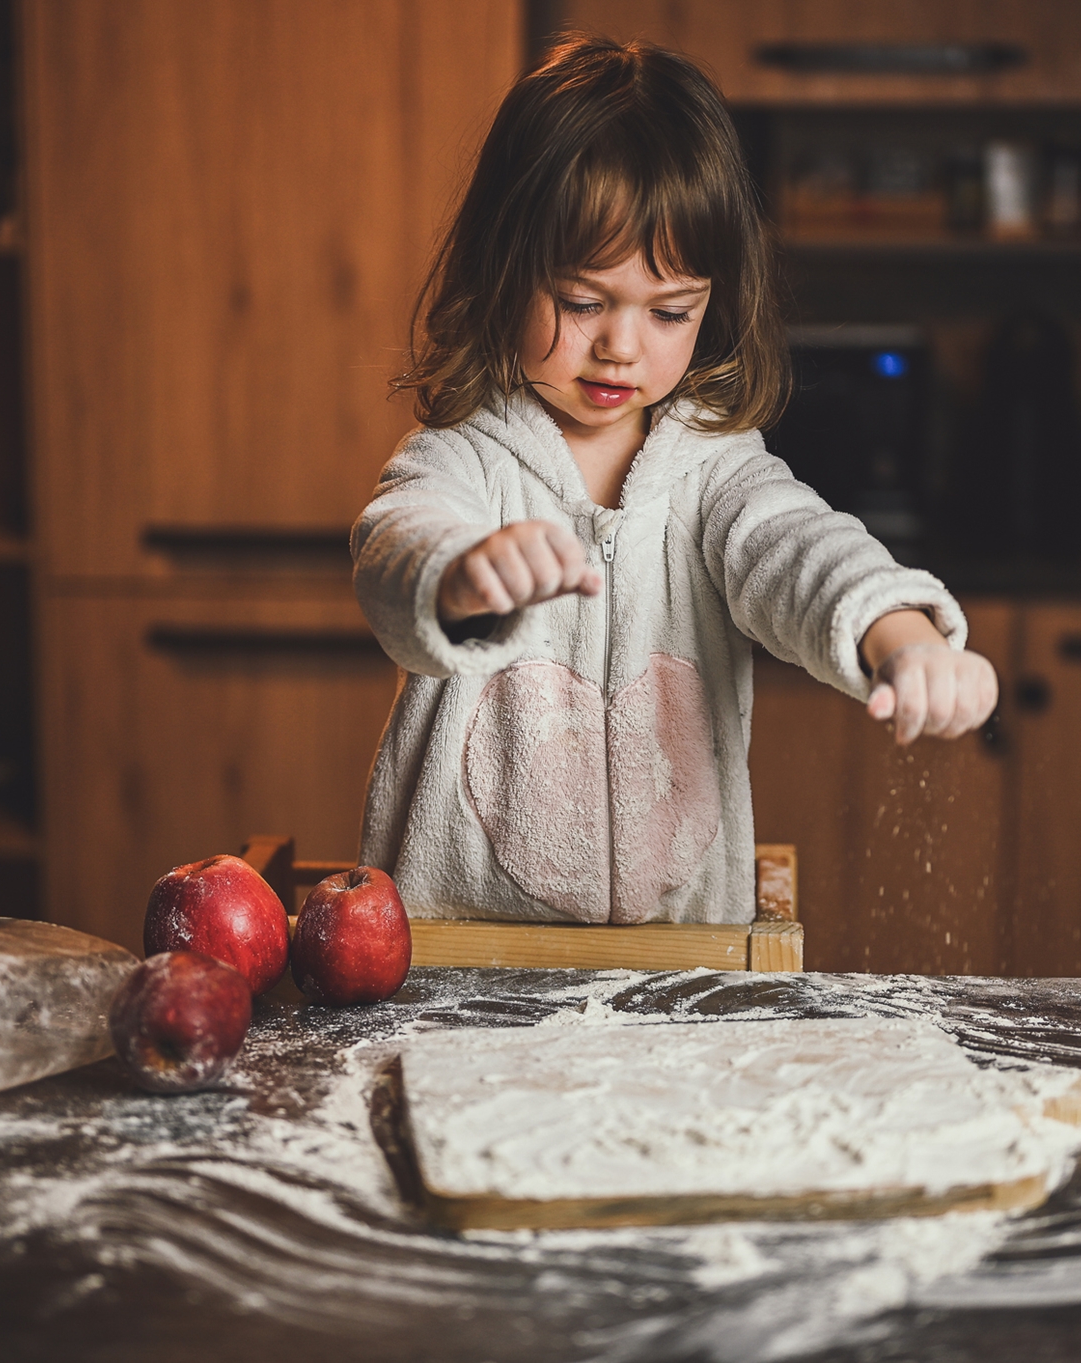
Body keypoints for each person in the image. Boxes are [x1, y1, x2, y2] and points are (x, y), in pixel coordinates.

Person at [351, 35, 997, 925]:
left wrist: (903, 631)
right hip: (459, 967)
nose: (622, 344)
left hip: (674, 973)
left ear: (713, 302)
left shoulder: (715, 472)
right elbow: (395, 544)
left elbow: (798, 546)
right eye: (583, 302)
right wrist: (458, 572)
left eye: (669, 311)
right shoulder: (462, 455)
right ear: (502, 271)